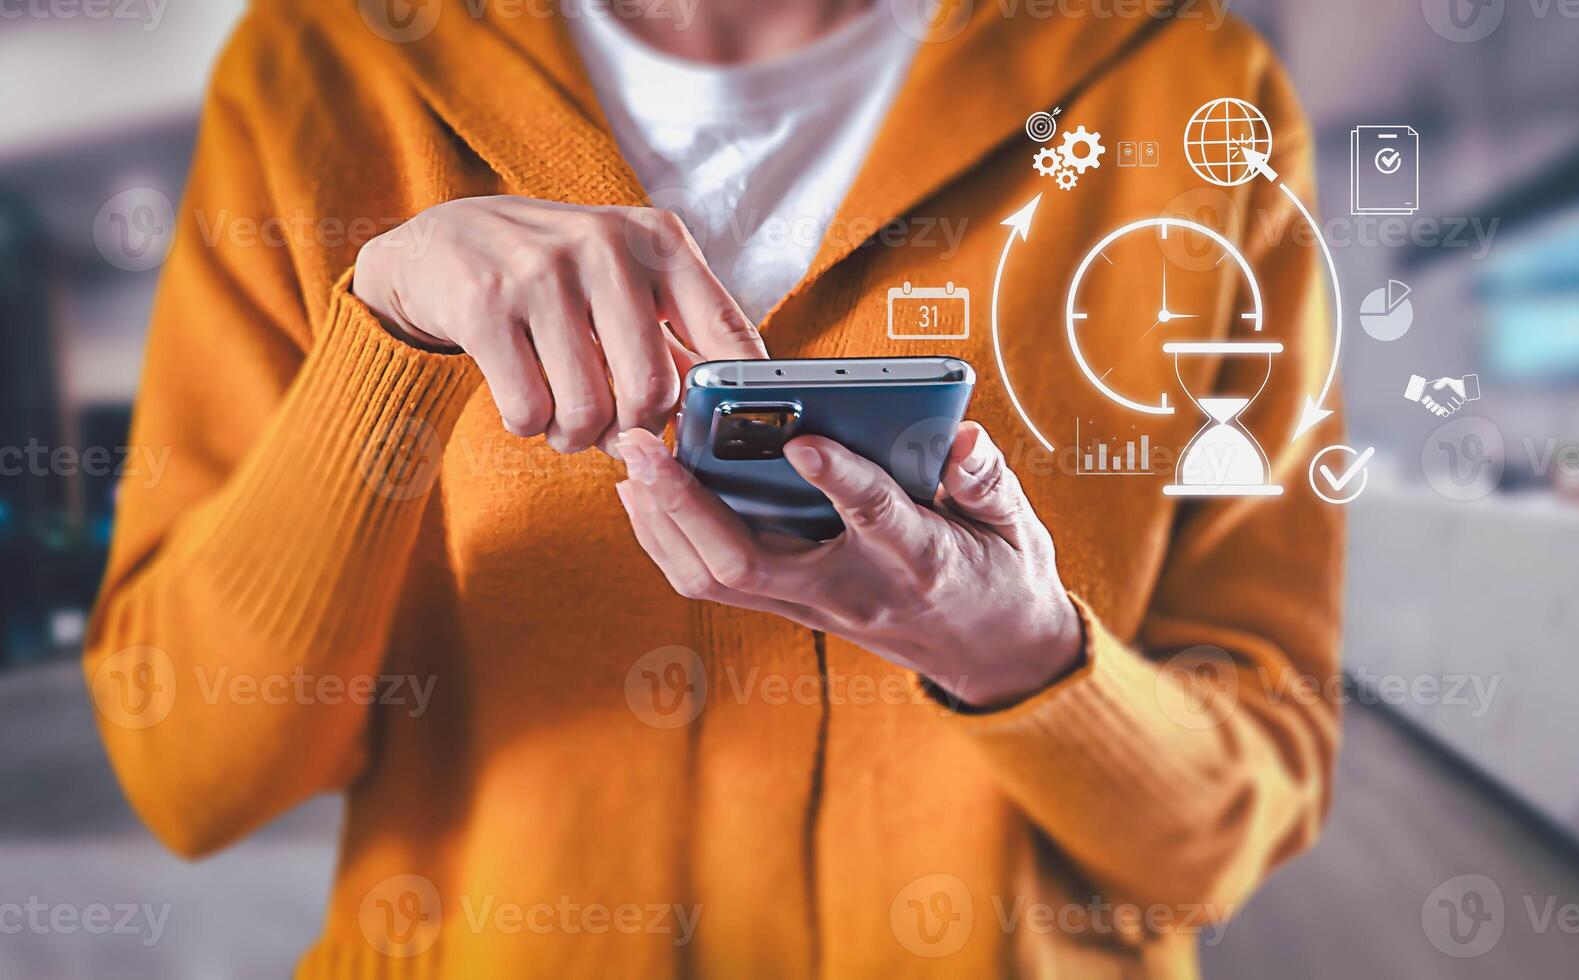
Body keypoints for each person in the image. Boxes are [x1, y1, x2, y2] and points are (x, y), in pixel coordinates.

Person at [84, 0, 1343, 976]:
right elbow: (189, 770)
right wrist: (386, 332)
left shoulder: (1191, 91)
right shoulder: (322, 73)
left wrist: (1020, 652)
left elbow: (1222, 831)